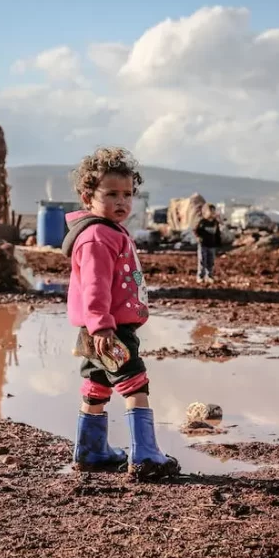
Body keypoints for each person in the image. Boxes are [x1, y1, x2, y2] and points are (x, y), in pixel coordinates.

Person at [61, 146, 180, 480]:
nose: (121, 201)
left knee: (97, 383)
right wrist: (102, 327)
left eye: (127, 194)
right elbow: (94, 286)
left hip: (97, 328)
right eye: (111, 194)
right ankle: (146, 456)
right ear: (88, 197)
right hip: (109, 329)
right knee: (135, 384)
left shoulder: (109, 231)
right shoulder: (97, 236)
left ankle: (90, 452)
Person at [194, 204, 222, 283]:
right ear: (205, 212)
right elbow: (196, 230)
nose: (213, 213)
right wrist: (198, 237)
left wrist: (219, 243)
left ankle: (209, 276)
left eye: (214, 211)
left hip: (212, 245)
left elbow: (217, 233)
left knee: (211, 261)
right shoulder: (202, 222)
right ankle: (200, 276)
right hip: (203, 245)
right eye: (211, 211)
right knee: (202, 261)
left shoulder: (215, 223)